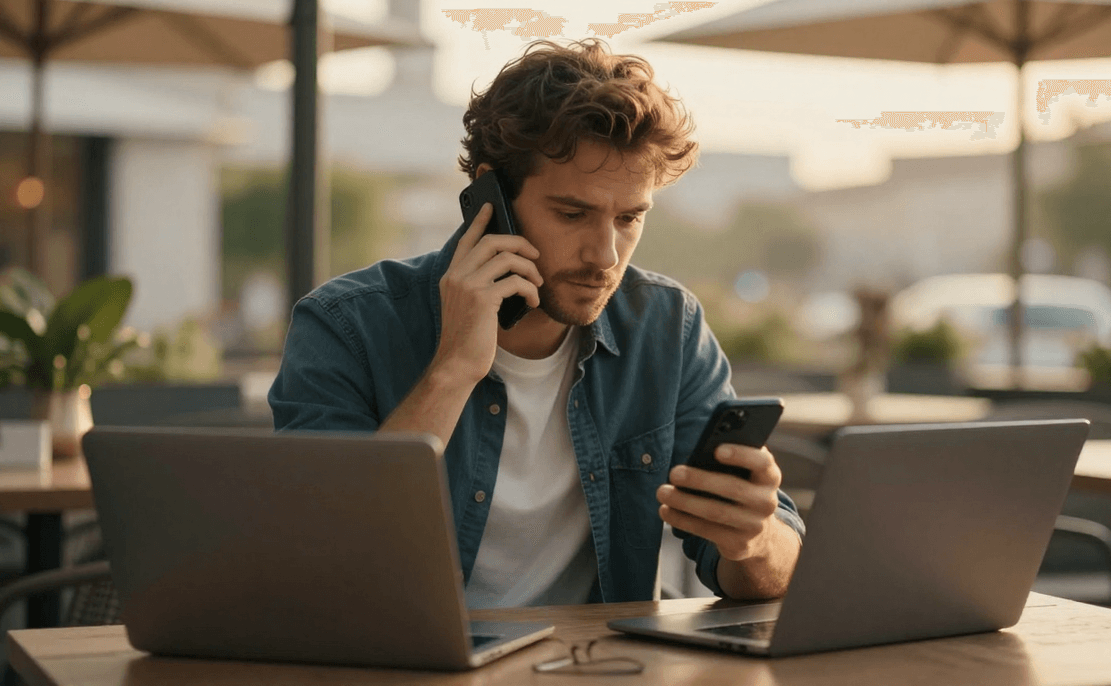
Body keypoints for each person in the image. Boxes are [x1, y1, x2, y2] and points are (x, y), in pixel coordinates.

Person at [269, 38, 803, 607]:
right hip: (415, 653)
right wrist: (453, 371)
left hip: (602, 655)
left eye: (629, 218)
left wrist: (754, 542)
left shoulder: (668, 327)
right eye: (572, 213)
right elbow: (323, 557)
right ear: (490, 196)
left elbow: (775, 570)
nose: (605, 255)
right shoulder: (346, 325)